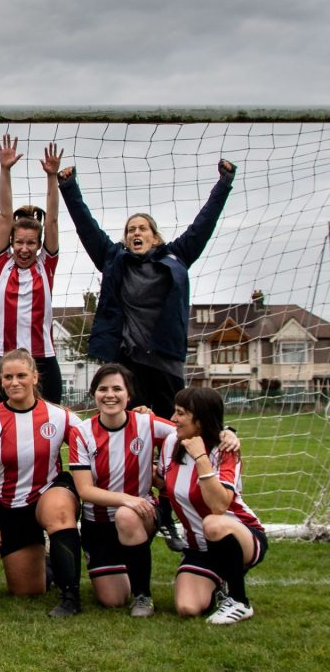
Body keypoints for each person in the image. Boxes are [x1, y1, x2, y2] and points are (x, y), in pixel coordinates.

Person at [58, 158, 236, 553]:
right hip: (127, 366)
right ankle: (121, 519)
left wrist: (224, 182)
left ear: (155, 237)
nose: (135, 233)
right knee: (127, 443)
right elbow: (87, 229)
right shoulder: (113, 260)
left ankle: (178, 514)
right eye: (130, 230)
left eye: (142, 229)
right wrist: (68, 187)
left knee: (176, 440)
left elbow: (203, 225)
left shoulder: (177, 257)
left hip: (165, 364)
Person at [0, 348, 82, 617]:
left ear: (34, 377)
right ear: (1, 380)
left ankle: (71, 597)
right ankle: (51, 563)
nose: (14, 382)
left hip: (49, 493)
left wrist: (137, 413)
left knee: (58, 510)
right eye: (8, 377)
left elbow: (97, 435)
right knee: (27, 590)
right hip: (10, 507)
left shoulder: (58, 416)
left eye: (21, 375)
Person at [69, 364, 176, 617]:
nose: (110, 395)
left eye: (118, 389)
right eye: (102, 389)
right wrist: (127, 498)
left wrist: (227, 433)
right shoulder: (82, 433)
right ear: (94, 393)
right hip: (98, 523)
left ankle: (143, 596)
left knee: (126, 516)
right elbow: (85, 490)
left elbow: (188, 430)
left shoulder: (146, 423)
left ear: (129, 395)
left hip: (140, 514)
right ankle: (120, 561)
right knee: (112, 599)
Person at [158, 387, 267, 625]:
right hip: (197, 546)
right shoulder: (170, 443)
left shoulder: (225, 450)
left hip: (241, 534)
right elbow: (161, 479)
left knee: (213, 523)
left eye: (180, 413)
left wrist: (201, 458)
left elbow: (219, 505)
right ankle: (221, 581)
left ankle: (239, 601)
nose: (174, 419)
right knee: (187, 607)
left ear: (201, 420)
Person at [0, 136, 63, 404]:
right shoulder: (1, 262)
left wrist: (52, 178)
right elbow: (5, 215)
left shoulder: (45, 264)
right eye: (19, 242)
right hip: (3, 355)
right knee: (2, 423)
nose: (24, 248)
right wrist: (5, 170)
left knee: (51, 418)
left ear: (39, 244)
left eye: (31, 243)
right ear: (11, 242)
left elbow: (52, 221)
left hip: (42, 356)